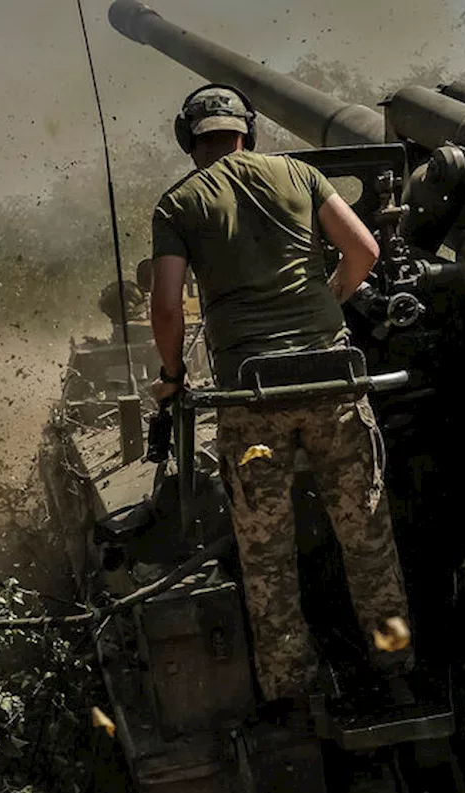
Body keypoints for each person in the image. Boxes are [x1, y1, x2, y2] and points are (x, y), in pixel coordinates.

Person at [146, 83, 412, 708]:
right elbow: (365, 250)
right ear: (249, 130)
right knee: (370, 541)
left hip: (252, 398)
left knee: (268, 558)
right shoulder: (297, 174)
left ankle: (295, 693)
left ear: (191, 140)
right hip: (335, 381)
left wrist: (173, 378)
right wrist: (333, 302)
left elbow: (165, 307)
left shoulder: (178, 203)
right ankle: (396, 674)